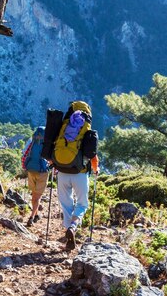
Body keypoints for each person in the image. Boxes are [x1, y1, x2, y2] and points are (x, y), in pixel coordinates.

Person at [49, 101, 99, 251]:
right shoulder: (87, 131)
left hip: (62, 172)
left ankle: (68, 235)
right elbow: (92, 156)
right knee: (82, 204)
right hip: (80, 174)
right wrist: (96, 170)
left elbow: (52, 147)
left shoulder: (62, 128)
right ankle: (74, 225)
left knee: (66, 204)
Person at [21, 126, 49, 227]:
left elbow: (24, 154)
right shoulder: (47, 143)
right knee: (37, 197)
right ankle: (31, 217)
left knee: (34, 196)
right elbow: (51, 159)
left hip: (31, 170)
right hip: (42, 172)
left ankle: (36, 214)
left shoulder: (31, 140)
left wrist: (24, 166)